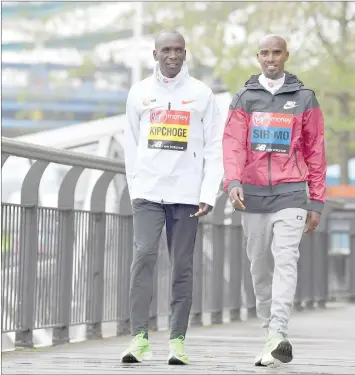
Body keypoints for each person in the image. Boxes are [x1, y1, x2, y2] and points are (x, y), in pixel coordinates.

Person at [223, 34, 326, 367]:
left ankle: (279, 331)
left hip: (291, 192)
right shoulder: (244, 98)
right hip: (251, 196)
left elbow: (315, 151)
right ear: (258, 57)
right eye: (265, 53)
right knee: (259, 268)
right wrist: (233, 181)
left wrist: (316, 201)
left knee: (286, 259)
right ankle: (270, 334)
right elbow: (233, 144)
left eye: (277, 53)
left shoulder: (304, 97)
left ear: (286, 56)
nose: (271, 58)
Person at [122, 29, 224, 365]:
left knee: (182, 267)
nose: (173, 56)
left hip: (187, 195)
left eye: (179, 50)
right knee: (143, 258)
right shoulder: (139, 93)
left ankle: (177, 341)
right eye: (166, 50)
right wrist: (136, 186)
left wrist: (207, 192)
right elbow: (131, 144)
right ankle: (139, 339)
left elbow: (213, 148)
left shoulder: (201, 94)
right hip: (148, 193)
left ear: (185, 53)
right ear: (155, 55)